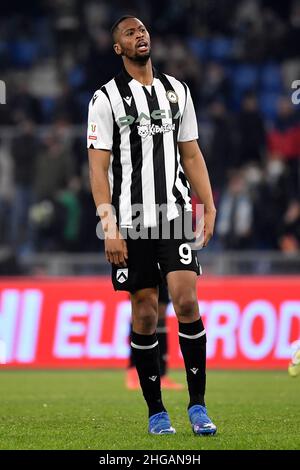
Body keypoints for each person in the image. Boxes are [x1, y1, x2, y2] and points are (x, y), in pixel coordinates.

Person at [87, 15, 217, 436]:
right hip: (130, 220)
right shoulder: (105, 99)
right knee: (144, 312)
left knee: (186, 302)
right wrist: (108, 223)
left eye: (142, 30)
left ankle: (198, 407)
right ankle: (157, 411)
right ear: (118, 49)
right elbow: (98, 168)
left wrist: (209, 205)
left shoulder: (177, 91)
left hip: (173, 213)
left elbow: (192, 153)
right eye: (129, 33)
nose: (139, 35)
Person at [126, 280, 184, 391]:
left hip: (162, 266)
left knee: (161, 311)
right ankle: (134, 369)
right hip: (141, 264)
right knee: (140, 309)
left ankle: (161, 374)